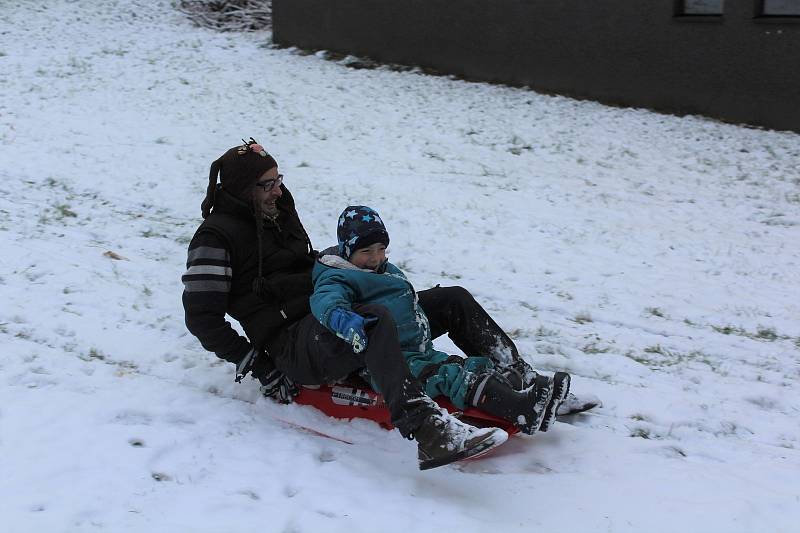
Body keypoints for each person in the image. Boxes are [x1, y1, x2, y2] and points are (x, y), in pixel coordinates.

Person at [182, 139, 508, 470]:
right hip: (294, 344)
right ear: (242, 189)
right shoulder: (215, 239)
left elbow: (307, 266)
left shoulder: (276, 214)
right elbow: (201, 318)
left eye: (279, 180)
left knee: (450, 299)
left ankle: (517, 377)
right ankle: (429, 431)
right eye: (268, 184)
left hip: (327, 315)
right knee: (374, 320)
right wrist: (260, 367)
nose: (279, 191)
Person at [311, 205, 573, 435]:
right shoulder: (338, 275)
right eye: (366, 250)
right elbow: (325, 301)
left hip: (416, 348)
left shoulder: (379, 268)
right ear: (347, 251)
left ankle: (517, 378)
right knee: (450, 377)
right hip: (387, 360)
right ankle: (522, 409)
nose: (376, 257)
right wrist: (344, 320)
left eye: (381, 248)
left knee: (465, 365)